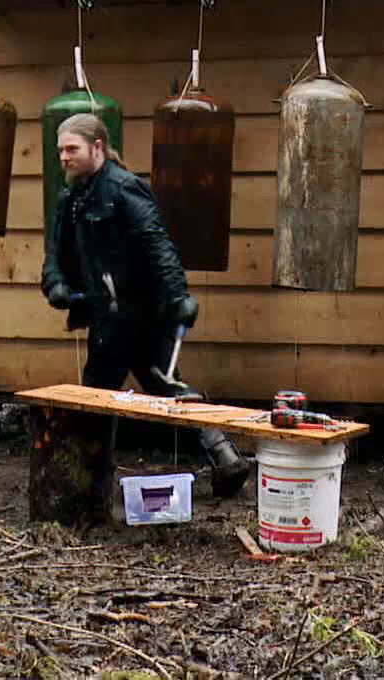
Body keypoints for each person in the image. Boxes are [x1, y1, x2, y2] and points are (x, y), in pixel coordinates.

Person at [40, 113, 250, 497]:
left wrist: (179, 297)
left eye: (72, 149)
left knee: (164, 388)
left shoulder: (124, 189)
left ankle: (226, 459)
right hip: (107, 317)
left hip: (145, 315)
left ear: (97, 147)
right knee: (100, 397)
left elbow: (158, 244)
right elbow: (56, 250)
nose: (64, 158)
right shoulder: (71, 197)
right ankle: (91, 482)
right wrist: (55, 284)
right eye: (60, 151)